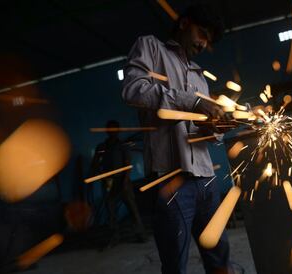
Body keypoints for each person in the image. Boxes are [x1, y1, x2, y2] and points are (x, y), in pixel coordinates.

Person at [122, 4, 233, 274]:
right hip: (171, 179)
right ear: (184, 23)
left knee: (219, 256)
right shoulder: (151, 48)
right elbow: (134, 91)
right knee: (175, 264)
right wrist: (193, 102)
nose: (203, 44)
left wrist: (216, 127)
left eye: (208, 40)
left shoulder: (199, 76)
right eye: (201, 33)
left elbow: (200, 134)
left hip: (206, 180)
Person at [90, 120, 146, 247]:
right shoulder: (102, 147)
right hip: (109, 183)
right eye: (110, 129)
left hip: (123, 181)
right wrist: (101, 174)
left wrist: (125, 181)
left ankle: (140, 234)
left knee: (132, 209)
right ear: (107, 131)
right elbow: (95, 163)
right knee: (111, 210)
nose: (112, 132)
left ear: (118, 131)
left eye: (114, 129)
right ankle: (114, 237)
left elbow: (127, 164)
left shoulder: (122, 146)